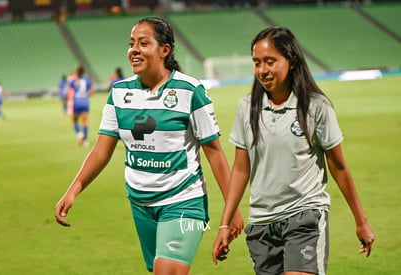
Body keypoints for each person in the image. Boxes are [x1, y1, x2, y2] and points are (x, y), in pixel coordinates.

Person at [54, 17, 243, 275]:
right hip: (140, 205)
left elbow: (215, 153)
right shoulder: (119, 93)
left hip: (184, 201)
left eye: (144, 43)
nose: (134, 49)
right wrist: (73, 189)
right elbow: (101, 150)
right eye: (132, 43)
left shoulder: (189, 90)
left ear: (164, 50)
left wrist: (231, 210)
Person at [212, 26, 375, 275]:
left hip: (305, 217)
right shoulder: (247, 107)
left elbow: (338, 166)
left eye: (270, 61)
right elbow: (240, 169)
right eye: (257, 63)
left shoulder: (316, 107)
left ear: (292, 60)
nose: (262, 70)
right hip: (261, 224)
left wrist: (361, 221)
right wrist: (225, 224)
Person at [69, 65, 93, 147]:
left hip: (77, 102)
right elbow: (92, 91)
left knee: (75, 121)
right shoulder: (86, 80)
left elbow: (69, 90)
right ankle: (85, 141)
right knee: (84, 122)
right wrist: (86, 95)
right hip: (85, 102)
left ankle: (79, 134)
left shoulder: (74, 80)